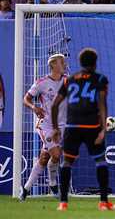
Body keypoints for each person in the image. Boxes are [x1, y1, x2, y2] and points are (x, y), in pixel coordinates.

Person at [51, 48, 115, 211]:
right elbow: (102, 104)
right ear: (95, 63)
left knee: (67, 162)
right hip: (91, 125)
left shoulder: (70, 79)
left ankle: (63, 203)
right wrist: (103, 129)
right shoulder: (100, 79)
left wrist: (55, 128)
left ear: (80, 63)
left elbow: (54, 105)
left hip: (72, 126)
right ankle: (103, 202)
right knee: (100, 161)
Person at [19, 54, 67, 201]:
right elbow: (25, 99)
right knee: (57, 155)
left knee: (45, 157)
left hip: (62, 125)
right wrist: (34, 107)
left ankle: (25, 189)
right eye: (62, 62)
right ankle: (52, 183)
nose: (64, 64)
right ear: (53, 65)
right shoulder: (42, 83)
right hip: (46, 125)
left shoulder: (68, 81)